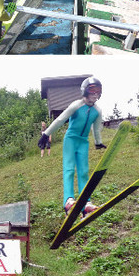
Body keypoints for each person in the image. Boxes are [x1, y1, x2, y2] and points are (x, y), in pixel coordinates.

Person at [40, 76, 106, 215]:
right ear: (85, 91)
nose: (95, 94)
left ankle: (86, 203)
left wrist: (98, 142)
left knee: (83, 172)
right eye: (92, 90)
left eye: (98, 91)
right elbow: (60, 119)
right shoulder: (76, 105)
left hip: (83, 142)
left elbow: (96, 128)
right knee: (69, 169)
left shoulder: (97, 111)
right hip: (70, 139)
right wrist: (46, 134)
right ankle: (68, 201)